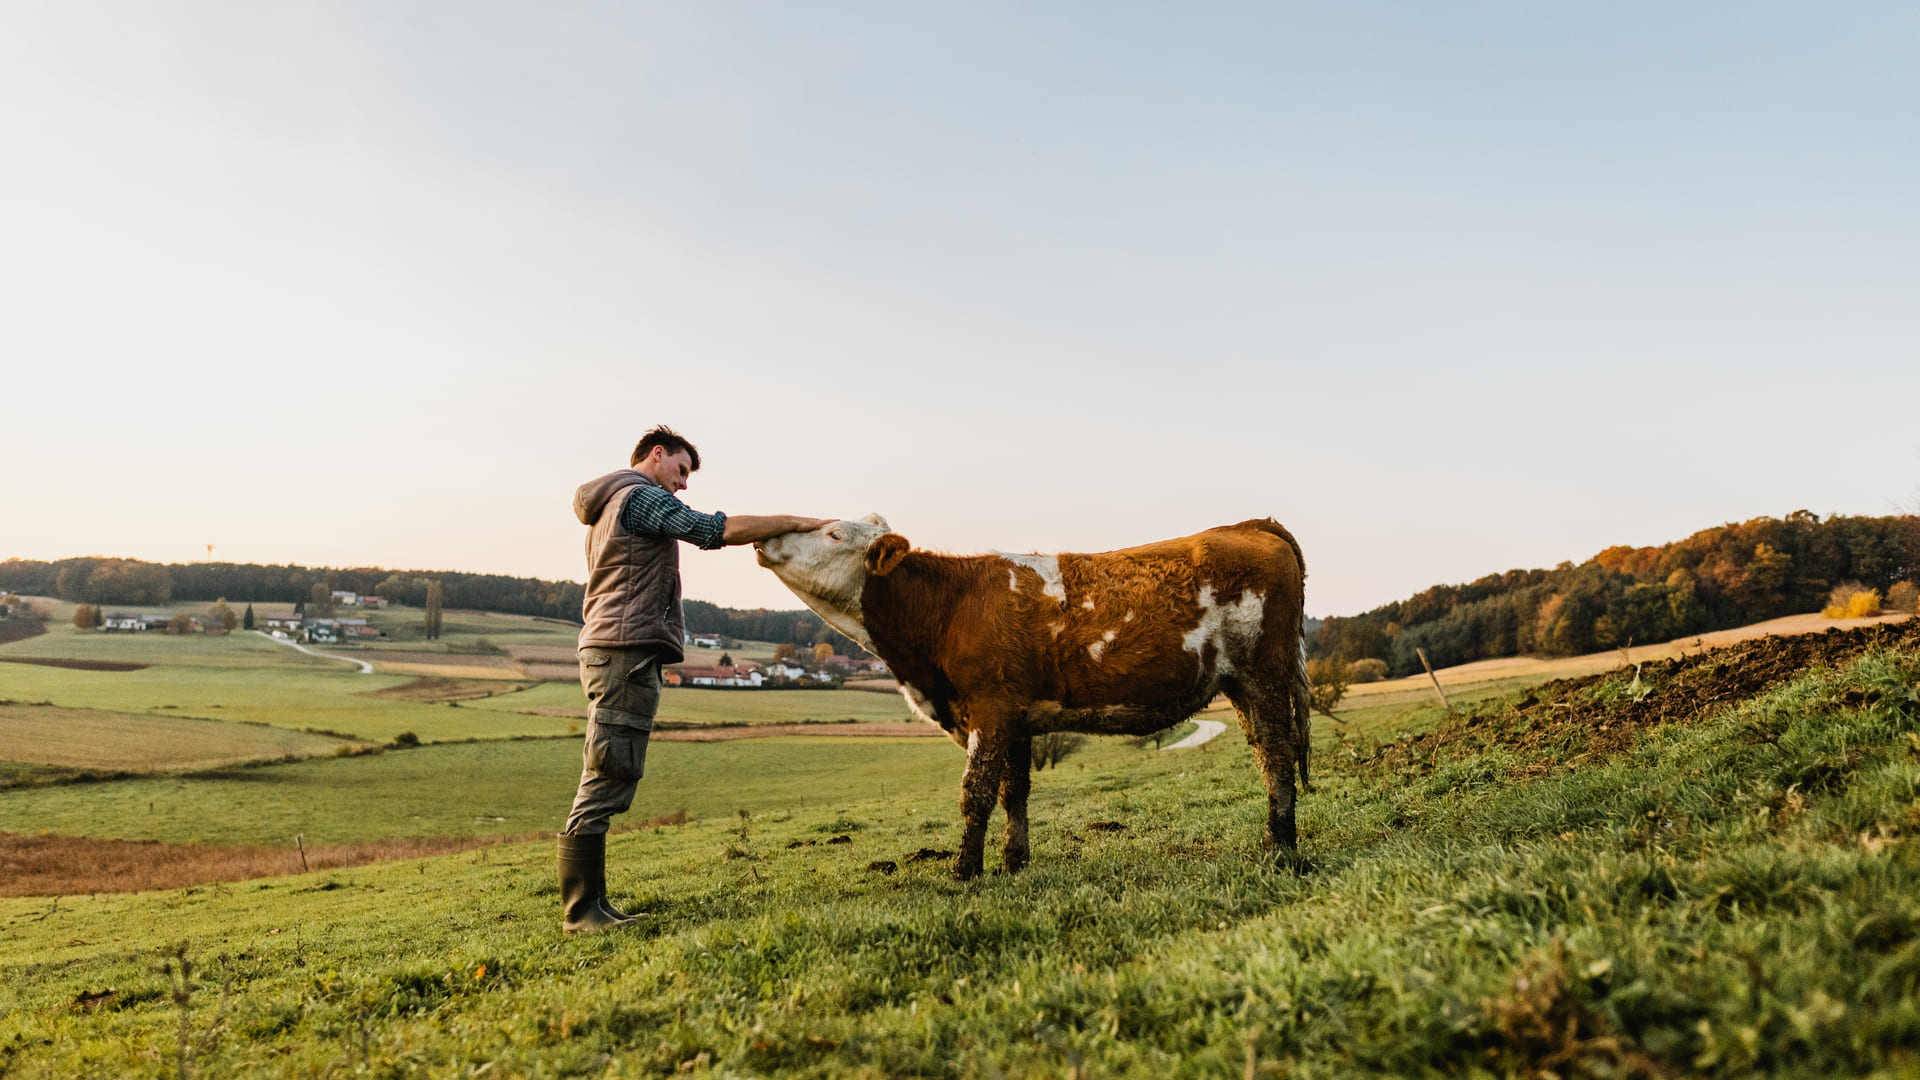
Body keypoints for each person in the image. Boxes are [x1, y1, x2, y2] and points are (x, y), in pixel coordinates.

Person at [559, 425, 833, 933]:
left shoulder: (614, 504)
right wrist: (796, 522)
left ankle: (592, 903)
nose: (683, 484)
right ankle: (580, 911)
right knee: (607, 769)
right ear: (656, 456)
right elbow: (713, 530)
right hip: (623, 653)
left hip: (618, 650)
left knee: (613, 767)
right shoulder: (638, 497)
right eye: (681, 471)